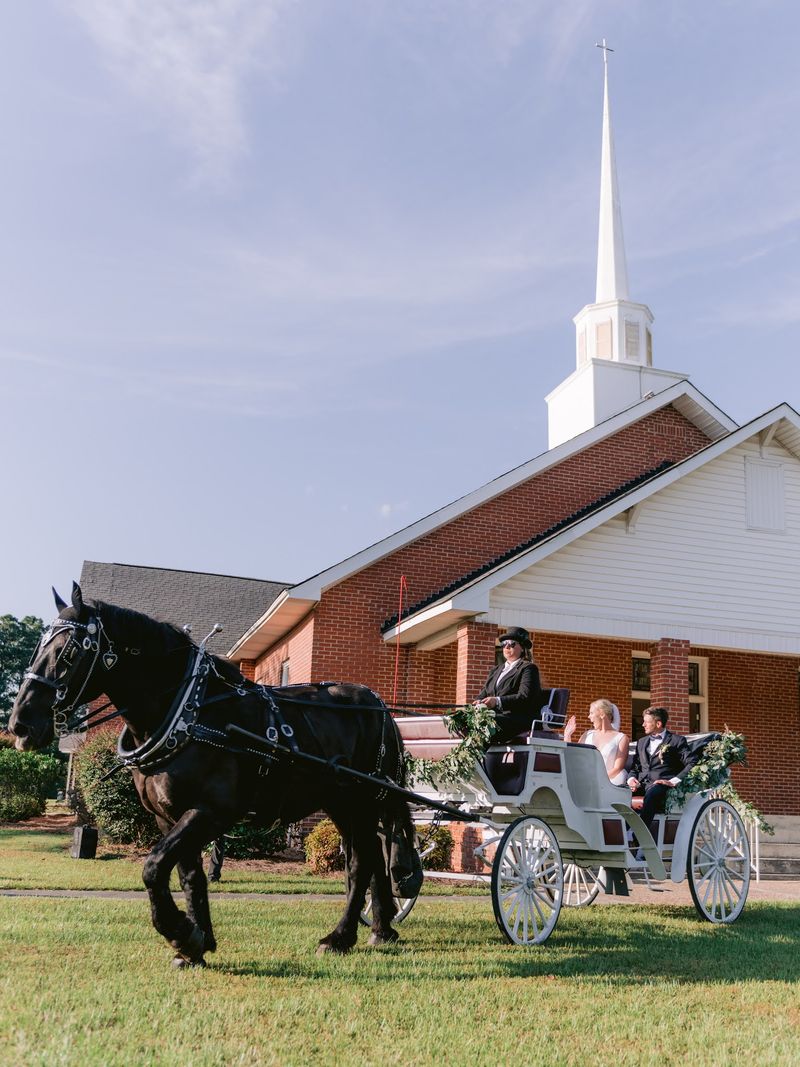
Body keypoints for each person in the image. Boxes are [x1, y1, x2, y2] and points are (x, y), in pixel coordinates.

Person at [627, 707, 695, 836]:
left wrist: (673, 781)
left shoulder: (677, 741)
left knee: (652, 793)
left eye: (646, 722)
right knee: (618, 791)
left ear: (658, 724)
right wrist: (631, 779)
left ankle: (639, 835)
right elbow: (635, 767)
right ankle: (620, 834)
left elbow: (692, 763)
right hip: (641, 784)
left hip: (662, 786)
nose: (643, 725)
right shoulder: (642, 742)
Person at [474, 627, 545, 743]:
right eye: (504, 643)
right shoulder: (496, 670)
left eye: (512, 644)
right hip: (498, 718)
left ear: (522, 648)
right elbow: (484, 693)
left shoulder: (528, 668)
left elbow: (524, 697)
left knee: (484, 722)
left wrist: (497, 701)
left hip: (517, 719)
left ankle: (479, 760)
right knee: (464, 719)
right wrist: (479, 701)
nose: (506, 646)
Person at [563, 698, 629, 785]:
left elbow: (617, 768)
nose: (589, 716)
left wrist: (597, 780)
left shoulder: (621, 738)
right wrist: (567, 736)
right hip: (584, 781)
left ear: (601, 714)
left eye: (591, 713)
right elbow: (574, 757)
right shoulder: (587, 735)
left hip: (608, 783)